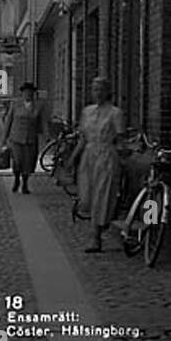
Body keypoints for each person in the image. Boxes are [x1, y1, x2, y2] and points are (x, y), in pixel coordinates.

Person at [71, 77, 125, 253]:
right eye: (94, 89)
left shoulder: (115, 113)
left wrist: (124, 154)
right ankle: (103, 222)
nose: (97, 93)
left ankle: (95, 237)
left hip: (106, 156)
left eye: (101, 89)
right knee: (86, 196)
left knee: (102, 195)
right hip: (89, 155)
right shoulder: (87, 112)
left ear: (108, 91)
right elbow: (82, 138)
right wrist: (73, 158)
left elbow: (120, 139)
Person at [1, 82, 47, 192]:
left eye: (30, 93)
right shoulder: (15, 104)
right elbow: (8, 121)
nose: (28, 95)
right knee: (17, 161)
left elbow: (43, 122)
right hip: (16, 138)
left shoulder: (39, 106)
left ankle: (25, 183)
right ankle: (16, 179)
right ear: (22, 94)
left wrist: (47, 136)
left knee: (29, 162)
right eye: (26, 92)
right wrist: (4, 138)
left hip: (30, 138)